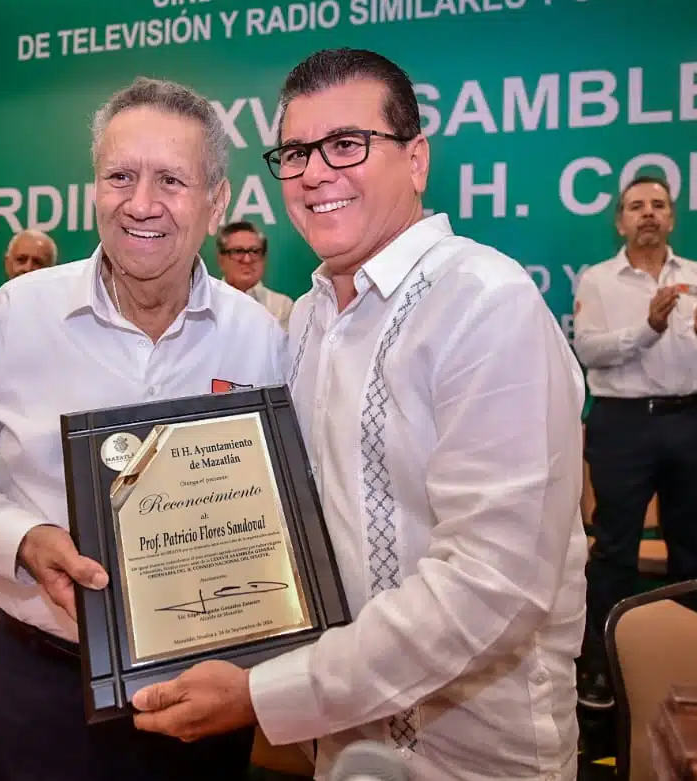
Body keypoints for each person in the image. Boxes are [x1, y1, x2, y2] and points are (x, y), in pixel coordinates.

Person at [130, 48, 589, 781]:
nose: (315, 172)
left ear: (415, 161)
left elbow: (493, 583)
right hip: (343, 742)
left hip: (477, 751)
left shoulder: (485, 305)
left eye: (346, 144)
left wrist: (263, 691)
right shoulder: (308, 319)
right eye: (295, 152)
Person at [0, 76, 287, 781]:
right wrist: (24, 541)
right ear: (93, 188)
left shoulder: (261, 338)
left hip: (204, 697)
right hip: (40, 687)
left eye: (172, 179)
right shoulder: (17, 314)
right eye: (120, 176)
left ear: (216, 200)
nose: (142, 203)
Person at [571, 175, 697, 709]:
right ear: (620, 221)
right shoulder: (598, 280)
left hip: (694, 421)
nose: (648, 213)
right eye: (636, 206)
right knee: (615, 550)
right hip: (622, 426)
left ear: (671, 218)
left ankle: (690, 663)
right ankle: (603, 667)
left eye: (658, 206)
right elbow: (589, 350)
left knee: (693, 548)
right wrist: (647, 328)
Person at [215, 220, 293, 330]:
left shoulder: (281, 306)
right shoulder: (207, 303)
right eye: (238, 251)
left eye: (255, 251)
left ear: (264, 258)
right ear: (221, 260)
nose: (247, 259)